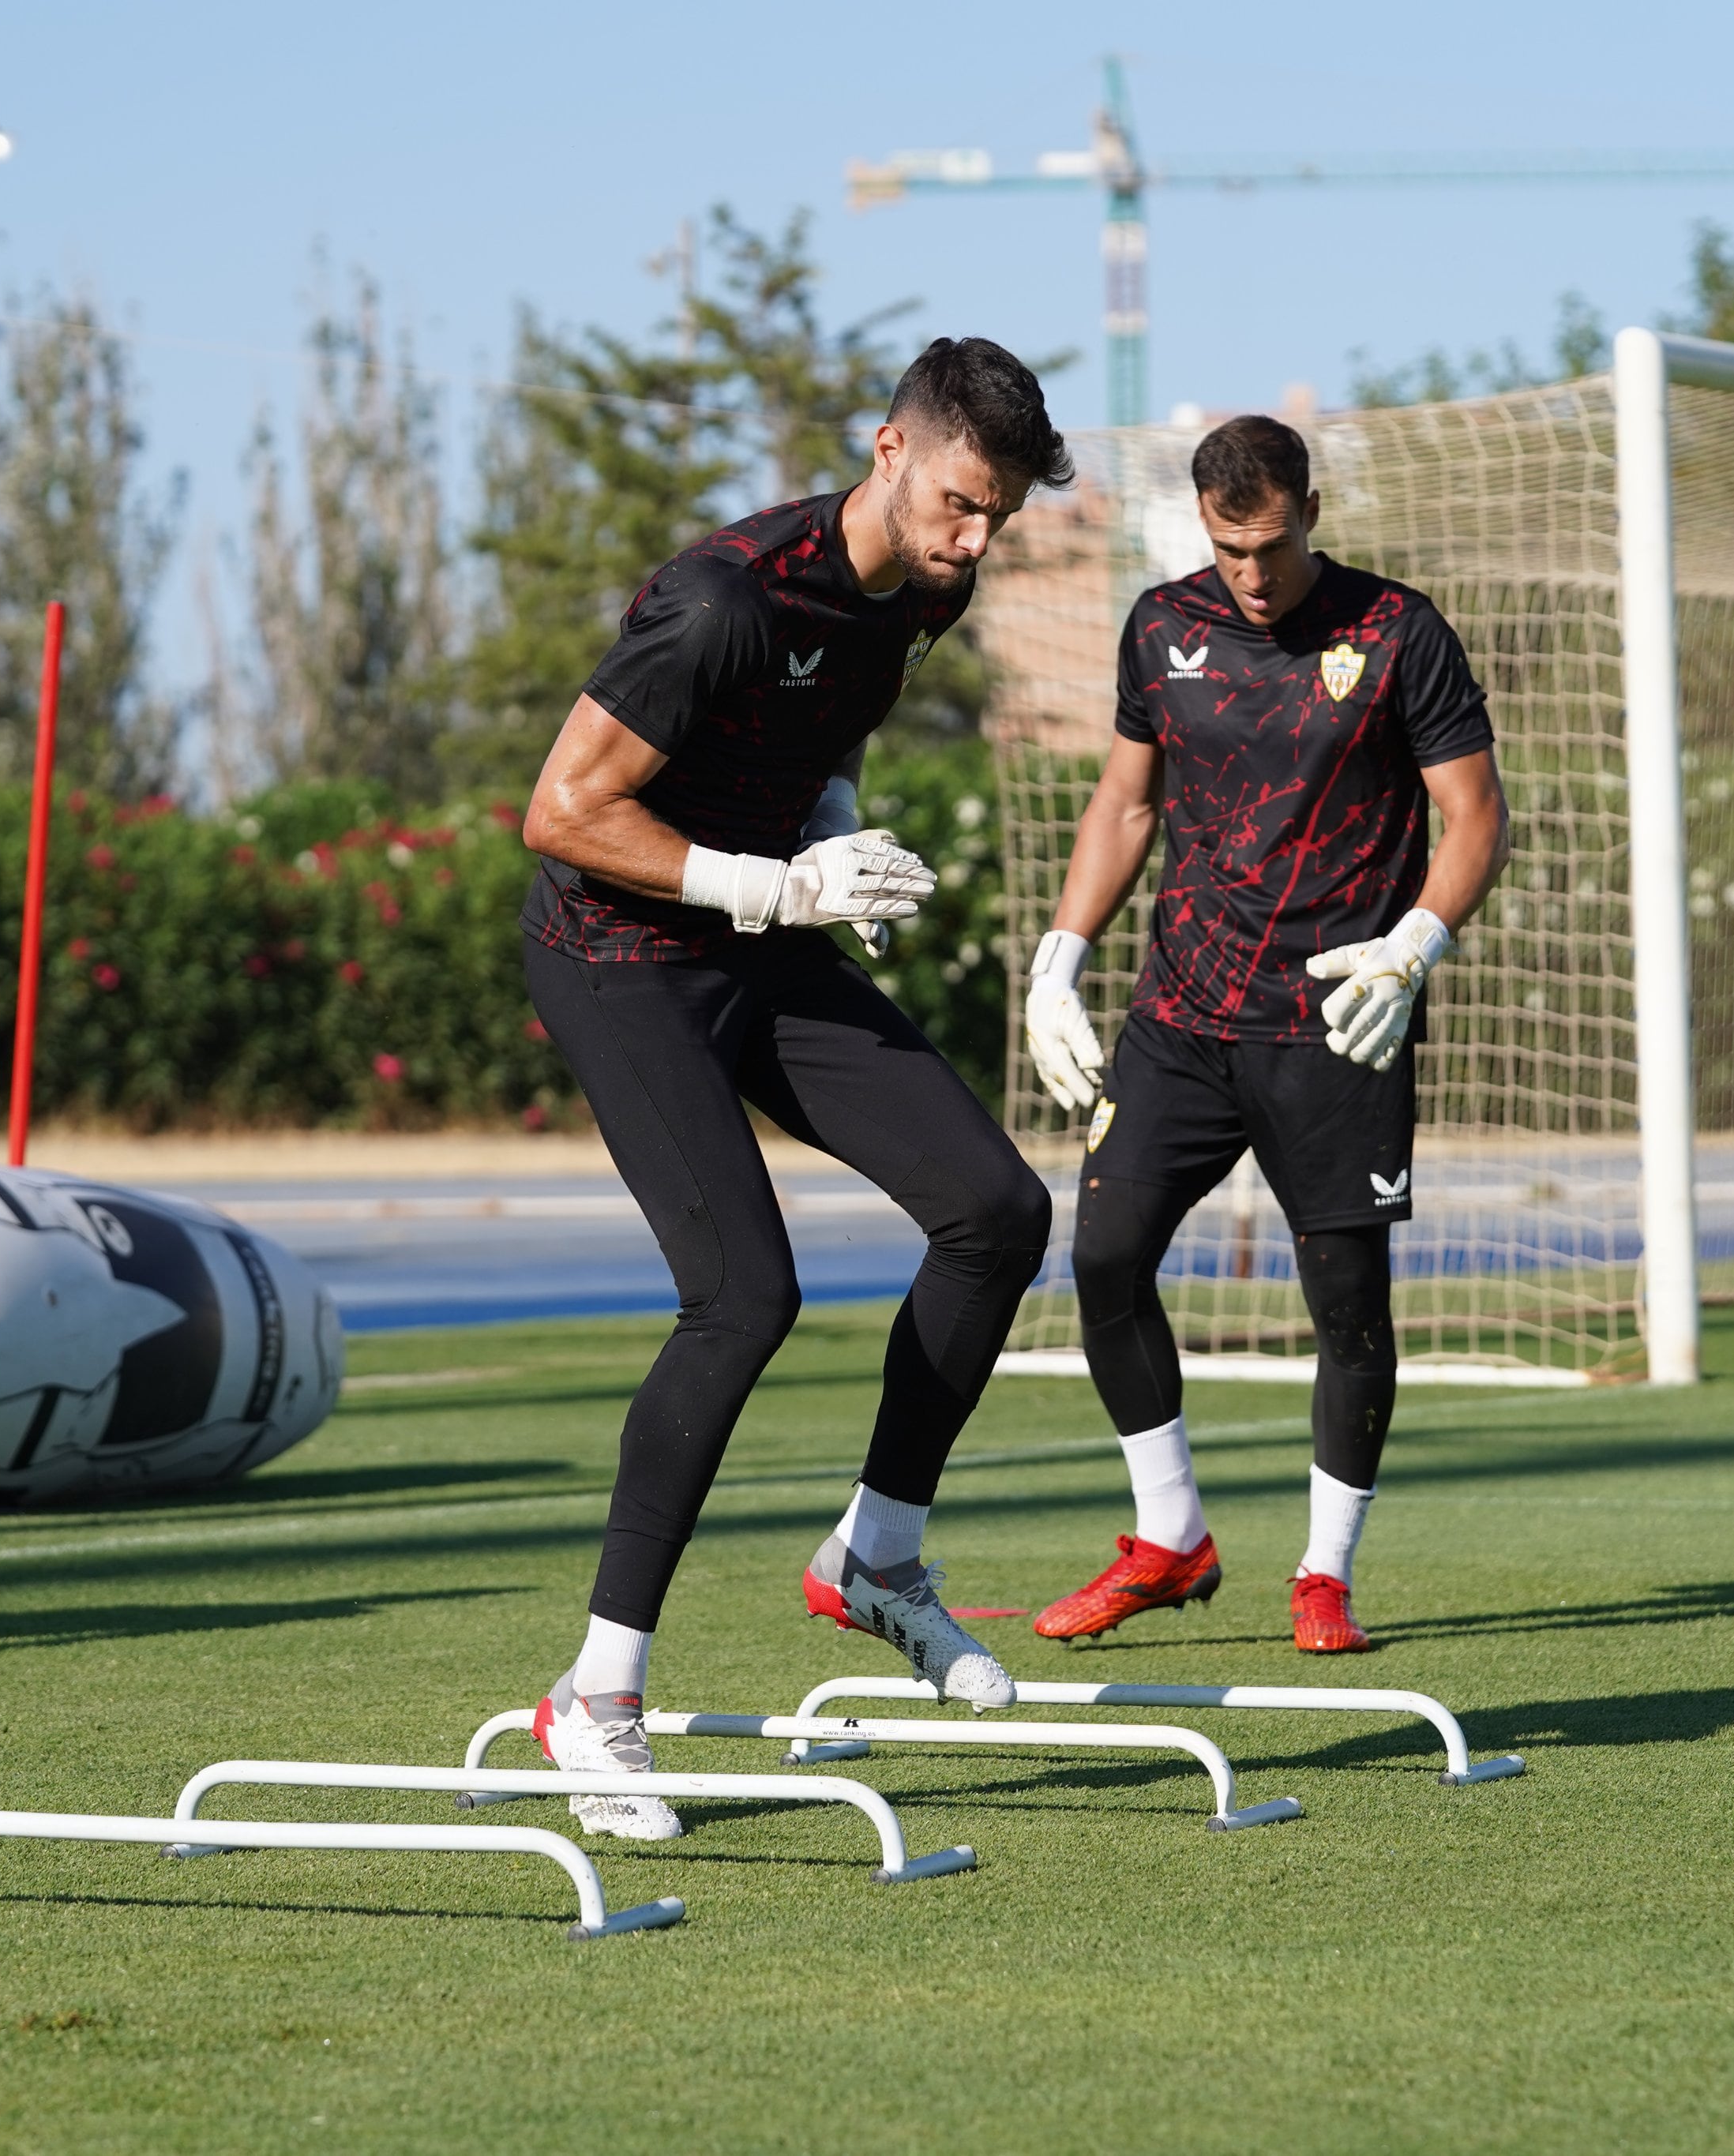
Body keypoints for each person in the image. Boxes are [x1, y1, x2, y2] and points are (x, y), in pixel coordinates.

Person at [516, 337, 1072, 1837]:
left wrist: (838, 840)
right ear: (887, 449)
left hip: (759, 929)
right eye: (959, 501)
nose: (972, 541)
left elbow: (819, 733)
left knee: (997, 1210)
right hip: (622, 952)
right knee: (743, 1299)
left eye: (997, 519)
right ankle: (596, 1696)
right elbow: (562, 812)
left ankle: (877, 1560)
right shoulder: (721, 596)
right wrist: (778, 885)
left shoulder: (930, 590)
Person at [1023, 414, 1510, 1656]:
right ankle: (1167, 1534)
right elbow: (1125, 806)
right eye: (1229, 547)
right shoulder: (1160, 626)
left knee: (1346, 1301)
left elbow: (1473, 817)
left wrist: (1418, 944)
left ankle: (1325, 1573)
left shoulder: (1399, 632)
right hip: (1181, 1015)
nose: (1252, 572)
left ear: (1310, 509)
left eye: (1272, 544)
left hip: (1338, 1018)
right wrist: (1059, 961)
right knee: (1105, 1256)